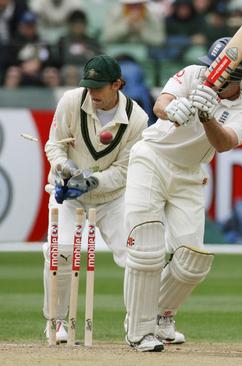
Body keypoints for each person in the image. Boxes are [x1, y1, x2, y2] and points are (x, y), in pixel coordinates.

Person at [122, 36, 242, 352]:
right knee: (146, 248)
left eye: (221, 74)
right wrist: (174, 109)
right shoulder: (195, 74)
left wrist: (207, 117)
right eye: (213, 69)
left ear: (237, 77)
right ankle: (139, 331)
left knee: (192, 260)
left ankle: (161, 316)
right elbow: (160, 104)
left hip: (190, 174)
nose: (214, 76)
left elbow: (223, 144)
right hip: (152, 157)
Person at [43, 54, 149, 343]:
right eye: (88, 86)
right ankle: (56, 322)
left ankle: (138, 324)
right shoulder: (71, 101)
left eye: (98, 87)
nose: (92, 93)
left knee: (138, 256)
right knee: (60, 250)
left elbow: (125, 171)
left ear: (118, 84)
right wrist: (65, 169)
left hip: (112, 198)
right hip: (69, 195)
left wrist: (91, 181)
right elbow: (54, 146)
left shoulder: (138, 119)